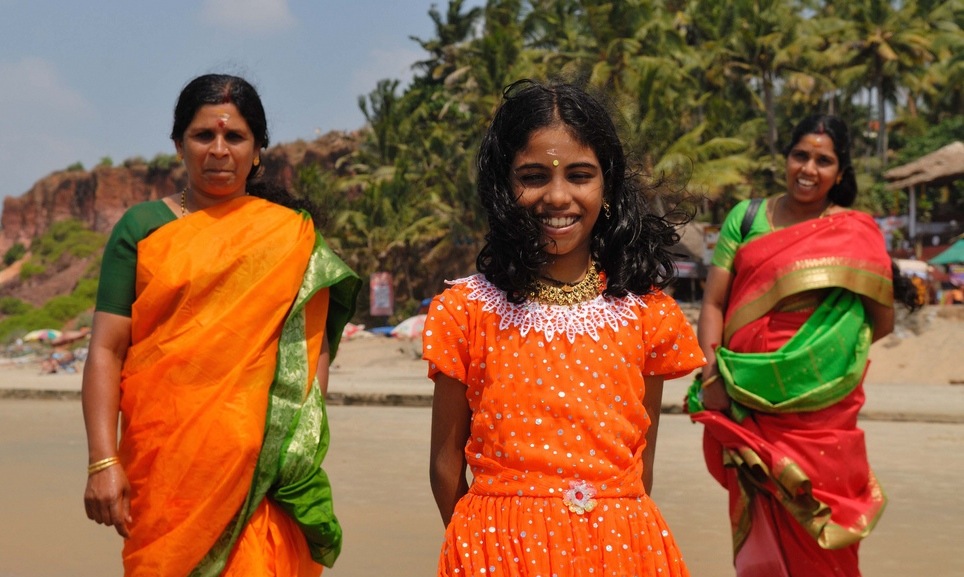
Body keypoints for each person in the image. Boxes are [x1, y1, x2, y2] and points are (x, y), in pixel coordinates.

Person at [423, 79, 705, 576]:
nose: (558, 197)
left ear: (609, 186)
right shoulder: (464, 310)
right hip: (496, 552)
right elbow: (446, 467)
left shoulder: (647, 314)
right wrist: (483, 543)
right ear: (503, 187)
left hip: (623, 551)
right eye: (533, 175)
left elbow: (641, 465)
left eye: (580, 175)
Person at [81, 74, 359, 576]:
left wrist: (296, 444)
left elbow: (309, 347)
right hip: (166, 463)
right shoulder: (142, 228)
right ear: (178, 145)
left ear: (257, 151)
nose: (218, 150)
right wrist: (103, 460)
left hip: (263, 469)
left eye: (234, 137)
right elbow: (106, 349)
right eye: (203, 135)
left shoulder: (287, 234)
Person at [687, 114, 919, 576]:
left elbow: (881, 321)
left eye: (823, 160)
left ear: (841, 171)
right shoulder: (747, 217)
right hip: (745, 397)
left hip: (821, 409)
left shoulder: (856, 230)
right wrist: (712, 373)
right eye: (800, 155)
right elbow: (713, 303)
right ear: (786, 157)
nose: (808, 169)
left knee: (822, 524)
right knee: (763, 518)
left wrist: (813, 360)